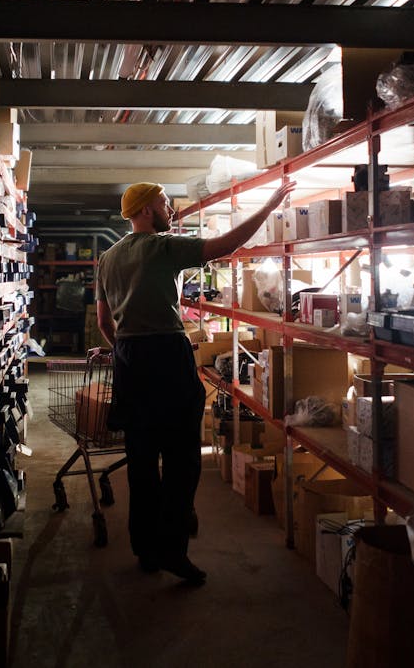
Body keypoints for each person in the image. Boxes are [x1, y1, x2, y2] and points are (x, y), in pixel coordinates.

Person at [95, 178, 296, 584]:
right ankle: (173, 550)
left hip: (130, 359)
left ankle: (146, 549)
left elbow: (103, 322)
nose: (171, 211)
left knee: (141, 460)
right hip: (167, 355)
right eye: (166, 203)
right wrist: (271, 205)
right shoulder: (163, 247)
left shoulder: (108, 258)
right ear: (148, 210)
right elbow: (226, 245)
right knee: (182, 458)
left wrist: (125, 352)